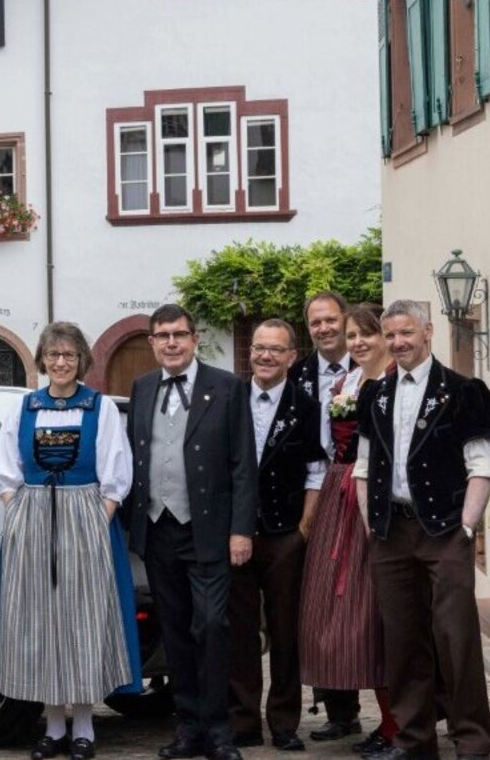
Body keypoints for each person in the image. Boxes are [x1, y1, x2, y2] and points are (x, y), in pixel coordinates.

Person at [354, 300, 490, 760]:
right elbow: (362, 468)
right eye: (391, 335)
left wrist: (467, 527)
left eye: (407, 333)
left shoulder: (463, 391)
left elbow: (482, 466)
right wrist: (372, 526)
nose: (398, 343)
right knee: (402, 640)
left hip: (445, 531)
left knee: (456, 638)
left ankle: (471, 741)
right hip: (390, 532)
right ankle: (414, 740)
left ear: (428, 332)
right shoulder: (374, 394)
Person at [0, 322, 139, 760]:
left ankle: (84, 725)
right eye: (53, 355)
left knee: (83, 620)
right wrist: (20, 512)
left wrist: (98, 517)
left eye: (69, 355)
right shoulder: (25, 407)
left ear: (81, 361)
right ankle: (54, 725)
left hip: (85, 514)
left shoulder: (100, 407)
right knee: (41, 622)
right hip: (34, 517)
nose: (61, 362)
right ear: (42, 360)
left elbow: (117, 470)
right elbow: (6, 469)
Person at [124, 304, 257, 760]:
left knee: (212, 625)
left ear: (195, 338)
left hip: (209, 530)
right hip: (157, 528)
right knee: (175, 630)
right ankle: (188, 727)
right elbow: (134, 455)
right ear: (152, 343)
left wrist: (241, 530)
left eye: (179, 334)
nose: (171, 343)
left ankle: (219, 730)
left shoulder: (227, 386)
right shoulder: (142, 387)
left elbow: (243, 462)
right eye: (162, 336)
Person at [299, 304, 399, 756]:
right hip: (340, 495)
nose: (358, 343)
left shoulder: (399, 381)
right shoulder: (343, 384)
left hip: (379, 495)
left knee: (378, 615)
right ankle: (351, 713)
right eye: (353, 335)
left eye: (367, 334)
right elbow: (325, 451)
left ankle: (398, 724)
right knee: (339, 614)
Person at [229, 319, 326, 753]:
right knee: (240, 630)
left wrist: (303, 529)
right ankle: (243, 721)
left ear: (291, 357)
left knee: (286, 631)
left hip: (285, 532)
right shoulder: (229, 399)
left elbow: (316, 471)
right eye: (259, 348)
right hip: (236, 532)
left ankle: (285, 722)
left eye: (275, 349)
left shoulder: (307, 406)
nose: (265, 356)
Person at [287, 292, 365, 745]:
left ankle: (399, 714)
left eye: (331, 320)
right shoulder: (296, 375)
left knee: (363, 604)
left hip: (360, 492)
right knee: (323, 605)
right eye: (315, 322)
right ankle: (340, 710)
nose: (324, 328)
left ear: (345, 320)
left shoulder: (370, 366)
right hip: (312, 496)